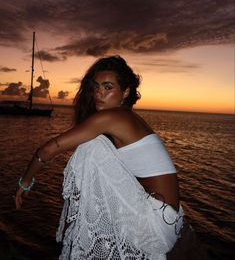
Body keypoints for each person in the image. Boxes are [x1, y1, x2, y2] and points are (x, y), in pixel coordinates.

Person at [15, 56, 184, 260]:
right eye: (95, 87)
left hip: (153, 225)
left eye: (107, 87)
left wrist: (25, 182)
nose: (98, 94)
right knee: (95, 143)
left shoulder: (112, 117)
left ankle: (83, 233)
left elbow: (48, 150)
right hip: (168, 221)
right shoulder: (128, 118)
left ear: (126, 92)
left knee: (91, 146)